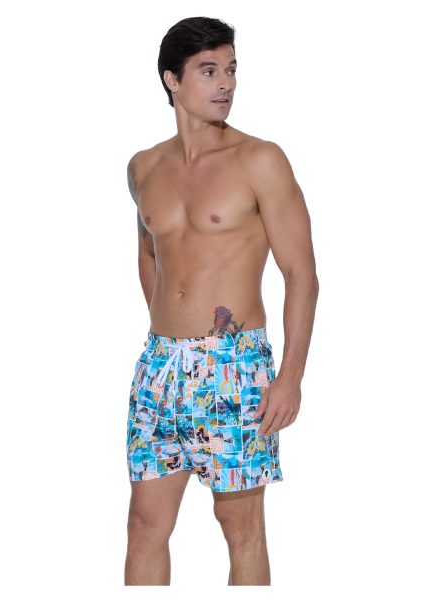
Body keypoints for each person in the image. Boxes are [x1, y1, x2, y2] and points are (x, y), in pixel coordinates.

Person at [124, 16, 318, 586]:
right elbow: (150, 254)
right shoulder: (143, 168)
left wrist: (290, 377)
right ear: (172, 80)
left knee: (240, 528)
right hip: (160, 366)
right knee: (143, 525)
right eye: (208, 71)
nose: (225, 83)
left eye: (231, 69)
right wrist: (171, 324)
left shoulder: (260, 159)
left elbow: (301, 274)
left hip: (233, 365)